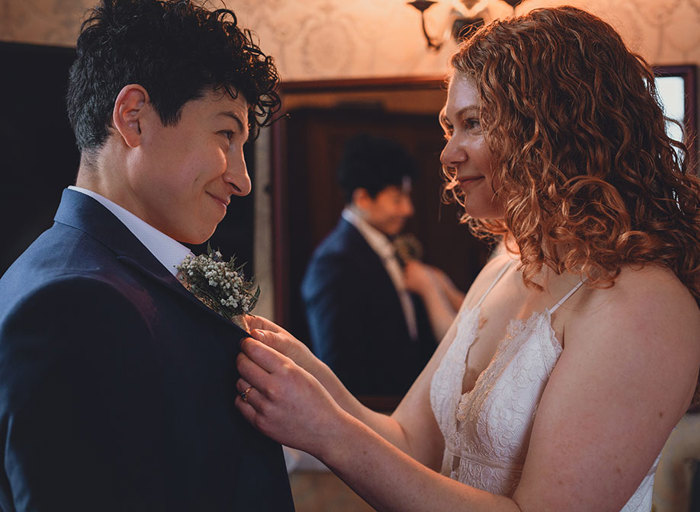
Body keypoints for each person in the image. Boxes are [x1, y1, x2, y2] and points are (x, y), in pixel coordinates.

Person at [234, 6, 700, 511]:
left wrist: (330, 435)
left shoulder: (643, 305)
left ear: (549, 127)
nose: (447, 153)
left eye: (472, 123)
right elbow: (409, 439)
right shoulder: (507, 262)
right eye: (448, 127)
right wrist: (314, 380)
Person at [0, 0, 294, 510]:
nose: (243, 180)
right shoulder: (74, 303)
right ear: (133, 118)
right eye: (227, 133)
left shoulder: (108, 275)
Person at [301, 134, 443, 396]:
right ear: (363, 198)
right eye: (398, 199)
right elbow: (338, 366)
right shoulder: (333, 263)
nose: (408, 209)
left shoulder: (386, 246)